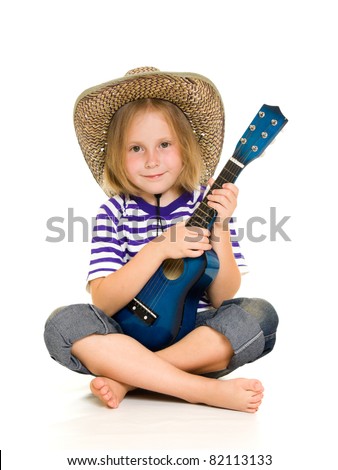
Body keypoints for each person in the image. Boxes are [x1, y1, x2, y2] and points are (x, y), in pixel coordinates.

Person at [44, 67, 278, 413]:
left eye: (164, 144)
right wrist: (157, 249)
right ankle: (196, 389)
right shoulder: (114, 213)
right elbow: (103, 303)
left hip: (192, 341)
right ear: (116, 157)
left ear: (186, 147)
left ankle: (129, 378)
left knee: (259, 314)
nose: (152, 160)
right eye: (136, 148)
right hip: (124, 337)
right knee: (62, 322)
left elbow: (222, 296)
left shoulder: (208, 204)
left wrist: (222, 229)